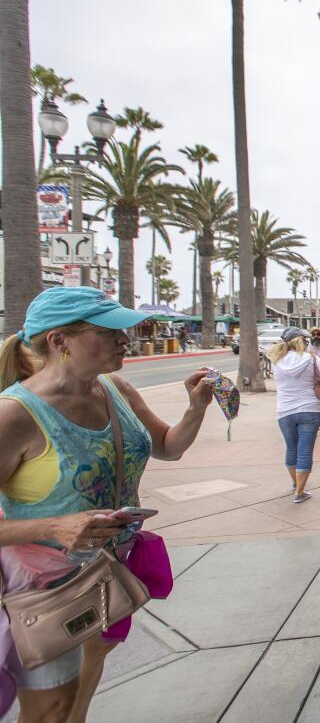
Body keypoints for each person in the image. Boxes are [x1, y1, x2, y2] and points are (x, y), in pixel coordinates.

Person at [0, 287, 214, 721]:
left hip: (110, 570)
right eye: (109, 330)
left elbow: (168, 447)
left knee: (85, 684)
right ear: (60, 341)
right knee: (52, 708)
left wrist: (195, 410)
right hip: (45, 586)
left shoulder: (114, 388)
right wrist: (54, 527)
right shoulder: (16, 415)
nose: (125, 338)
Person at [268, 328, 320, 504]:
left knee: (291, 448)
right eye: (306, 341)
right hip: (309, 409)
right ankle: (300, 491)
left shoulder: (277, 360)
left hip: (284, 411)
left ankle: (294, 482)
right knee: (305, 450)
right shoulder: (310, 359)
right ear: (300, 342)